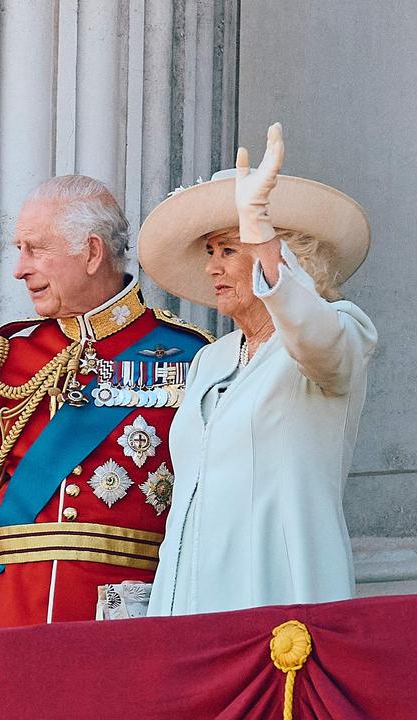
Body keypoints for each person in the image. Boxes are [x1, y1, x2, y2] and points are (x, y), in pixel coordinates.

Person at [0, 175, 213, 631]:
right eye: (19, 249)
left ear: (92, 253)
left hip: (126, 619)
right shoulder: (10, 358)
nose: (19, 268)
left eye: (35, 249)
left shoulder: (192, 356)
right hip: (7, 617)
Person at [138, 123, 376, 615]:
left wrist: (260, 235)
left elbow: (318, 339)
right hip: (188, 608)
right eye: (211, 252)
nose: (212, 267)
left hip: (279, 601)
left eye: (229, 250)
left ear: (284, 253)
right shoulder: (211, 359)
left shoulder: (339, 334)